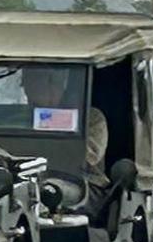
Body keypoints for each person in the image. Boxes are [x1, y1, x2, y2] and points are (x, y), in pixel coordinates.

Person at [21, 67, 110, 197]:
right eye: (29, 82)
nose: (33, 89)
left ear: (58, 86)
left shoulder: (90, 117)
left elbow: (87, 156)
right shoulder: (17, 119)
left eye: (40, 82)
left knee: (52, 192)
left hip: (81, 183)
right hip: (24, 179)